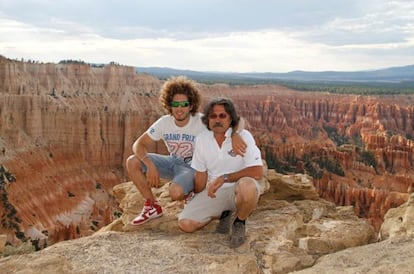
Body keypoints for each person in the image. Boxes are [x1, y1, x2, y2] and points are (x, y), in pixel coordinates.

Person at [126, 76, 247, 226]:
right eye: (175, 104)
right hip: (173, 163)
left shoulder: (201, 121)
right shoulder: (164, 122)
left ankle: (192, 193)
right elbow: (139, 144)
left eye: (184, 104)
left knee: (175, 193)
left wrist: (234, 134)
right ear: (169, 105)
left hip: (193, 168)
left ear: (191, 106)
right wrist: (149, 164)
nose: (179, 108)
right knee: (132, 161)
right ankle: (152, 206)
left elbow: (238, 120)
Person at [178, 97, 263, 248]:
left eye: (222, 115)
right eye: (213, 116)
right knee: (186, 224)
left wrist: (225, 178)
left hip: (238, 188)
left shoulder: (243, 137)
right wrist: (196, 196)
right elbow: (201, 174)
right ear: (208, 120)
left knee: (248, 187)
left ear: (231, 118)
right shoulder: (202, 140)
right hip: (216, 192)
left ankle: (239, 221)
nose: (217, 119)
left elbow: (257, 171)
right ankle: (224, 212)